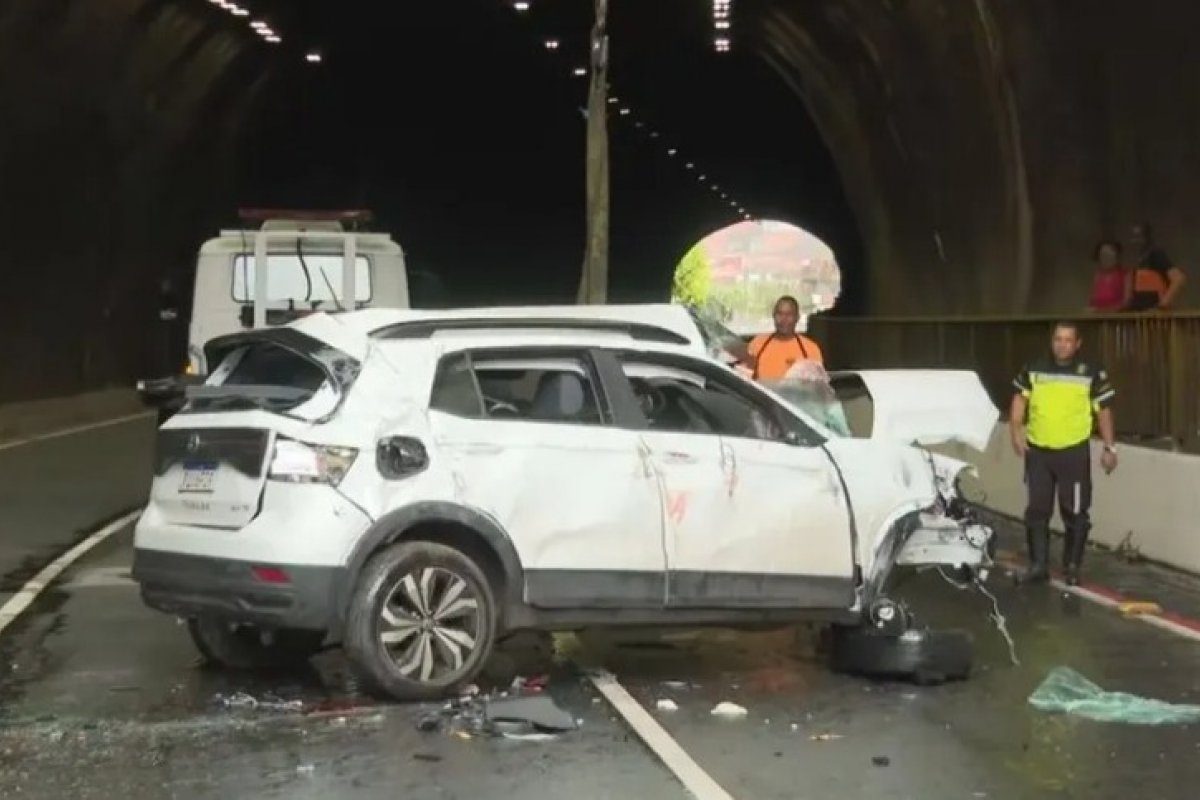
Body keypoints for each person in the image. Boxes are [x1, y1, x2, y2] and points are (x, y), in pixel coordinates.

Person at [1009, 321, 1118, 587]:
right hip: (1039, 452)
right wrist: (1015, 430)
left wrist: (1109, 447)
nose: (1062, 344)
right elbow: (1020, 399)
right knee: (1037, 510)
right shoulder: (1034, 366)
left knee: (1076, 511)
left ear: (1078, 344)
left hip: (1073, 453)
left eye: (1068, 340)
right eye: (1058, 339)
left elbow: (1104, 409)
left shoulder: (1091, 371)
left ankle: (1072, 568)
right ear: (1052, 341)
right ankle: (1038, 566)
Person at [728, 295, 824, 381]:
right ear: (773, 316)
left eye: (789, 315)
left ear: (797, 317)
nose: (784, 319)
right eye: (779, 314)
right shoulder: (758, 344)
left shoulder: (810, 349)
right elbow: (744, 379)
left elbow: (818, 387)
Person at [1127, 222, 1186, 311]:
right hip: (1141, 313)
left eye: (1139, 237)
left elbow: (1178, 278)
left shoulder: (1156, 254)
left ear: (1147, 238)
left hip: (1155, 315)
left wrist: (1162, 305)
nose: (1135, 241)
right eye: (1133, 237)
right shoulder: (1140, 259)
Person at [1086, 239, 1130, 312]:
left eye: (1110, 255)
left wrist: (1102, 311)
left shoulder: (1126, 274)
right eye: (1103, 255)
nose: (1107, 259)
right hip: (1097, 316)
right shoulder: (1098, 276)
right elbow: (1092, 300)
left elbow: (1126, 303)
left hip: (1117, 317)